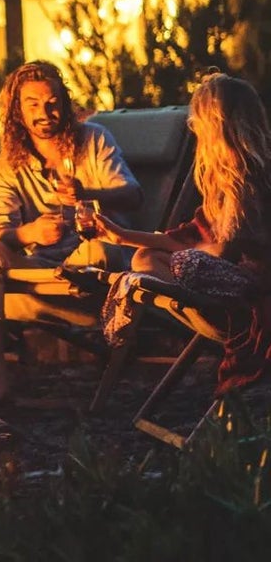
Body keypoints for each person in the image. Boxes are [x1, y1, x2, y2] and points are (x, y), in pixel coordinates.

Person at [0, 60, 143, 404]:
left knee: (101, 251)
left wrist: (89, 195)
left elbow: (133, 195)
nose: (44, 112)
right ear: (18, 111)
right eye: (32, 104)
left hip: (95, 269)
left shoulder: (93, 140)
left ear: (64, 102)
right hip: (43, 272)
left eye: (51, 102)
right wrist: (30, 233)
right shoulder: (7, 166)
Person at [94, 72, 271, 392]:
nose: (193, 127)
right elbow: (187, 236)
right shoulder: (218, 185)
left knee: (186, 262)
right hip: (217, 279)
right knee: (146, 257)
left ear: (219, 123)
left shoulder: (255, 181)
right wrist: (118, 235)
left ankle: (226, 318)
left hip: (253, 291)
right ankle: (194, 295)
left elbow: (229, 251)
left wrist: (201, 252)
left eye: (199, 120)